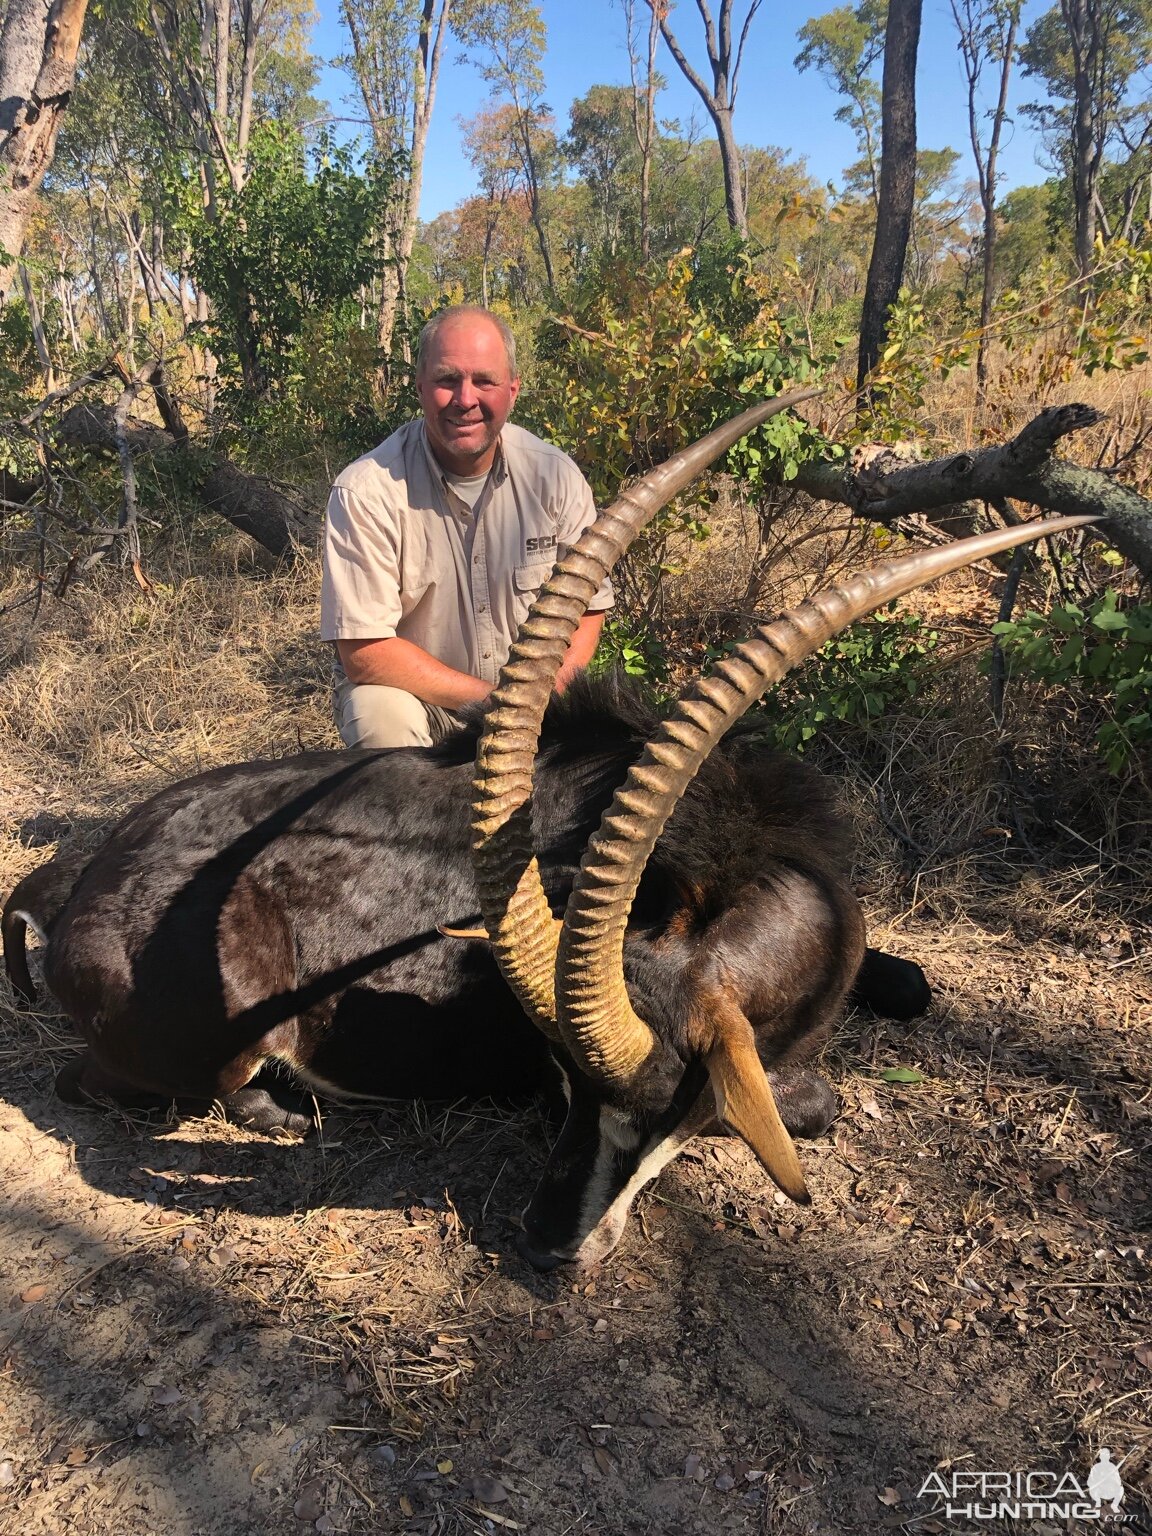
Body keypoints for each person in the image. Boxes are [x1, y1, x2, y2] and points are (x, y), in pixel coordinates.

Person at [320, 304, 612, 748]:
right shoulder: (366, 491)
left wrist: (547, 696)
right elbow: (365, 654)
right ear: (420, 387)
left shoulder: (555, 477)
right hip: (425, 703)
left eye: (484, 380)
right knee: (380, 715)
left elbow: (589, 611)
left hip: (531, 702)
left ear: (512, 390)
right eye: (447, 380)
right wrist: (496, 702)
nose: (466, 399)